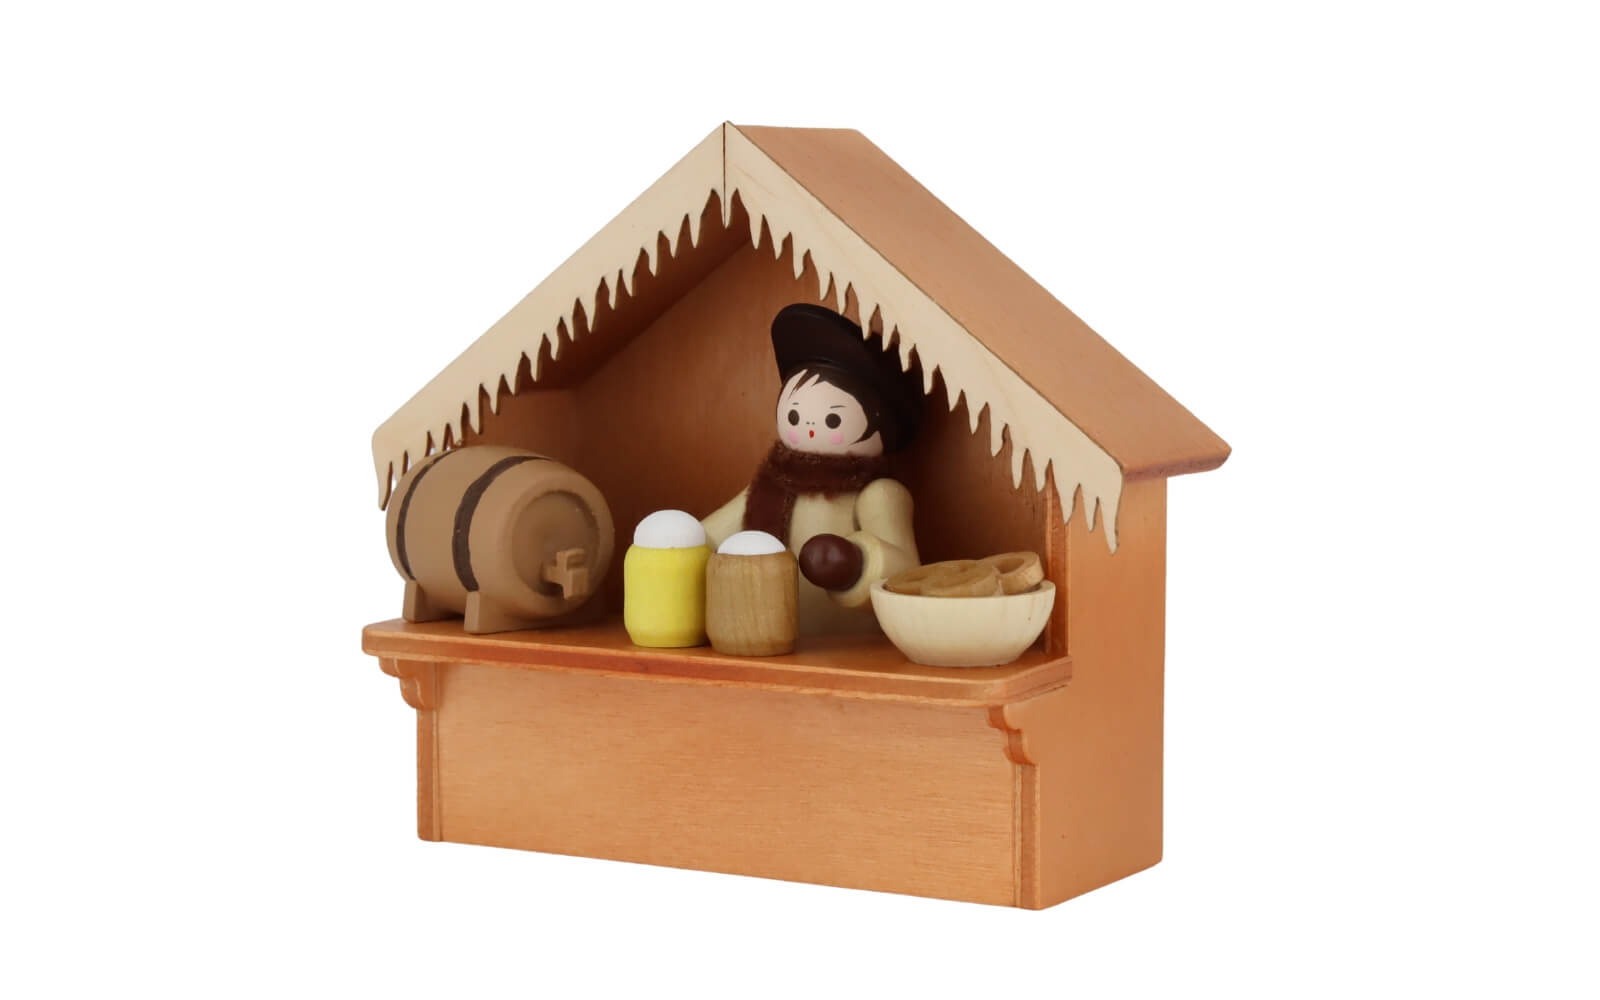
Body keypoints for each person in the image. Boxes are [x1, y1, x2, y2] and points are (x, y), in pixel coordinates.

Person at [701, 303, 923, 635]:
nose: (809, 427)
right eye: (794, 416)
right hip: (767, 633)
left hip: (848, 645)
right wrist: (683, 543)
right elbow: (716, 532)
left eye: (832, 419)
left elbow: (905, 569)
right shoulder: (772, 482)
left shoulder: (877, 493)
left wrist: (854, 563)